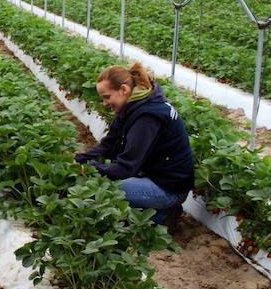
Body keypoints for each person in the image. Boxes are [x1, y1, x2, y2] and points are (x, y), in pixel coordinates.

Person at [75, 63, 194, 225]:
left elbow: (126, 167)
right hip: (154, 176)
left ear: (124, 90)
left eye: (107, 97)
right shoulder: (132, 105)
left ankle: (163, 215)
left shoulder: (147, 116)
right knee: (107, 181)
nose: (105, 103)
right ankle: (158, 210)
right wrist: (81, 159)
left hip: (169, 188)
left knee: (108, 190)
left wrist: (94, 169)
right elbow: (109, 144)